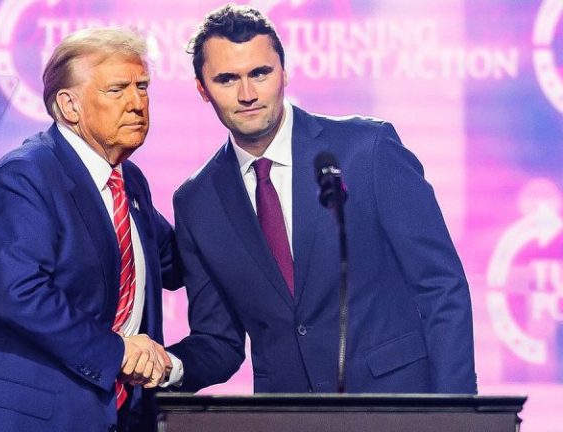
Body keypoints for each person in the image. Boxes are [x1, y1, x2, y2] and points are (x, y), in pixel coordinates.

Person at [166, 4, 477, 394]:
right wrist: (167, 366)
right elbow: (218, 339)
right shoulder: (197, 202)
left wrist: (456, 412)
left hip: (395, 403)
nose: (247, 94)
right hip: (288, 413)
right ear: (202, 89)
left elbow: (441, 286)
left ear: (284, 72)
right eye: (227, 79)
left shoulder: (367, 150)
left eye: (260, 73)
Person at [0, 27, 181, 432]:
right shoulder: (26, 175)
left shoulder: (128, 182)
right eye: (117, 90)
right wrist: (117, 352)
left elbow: (176, 263)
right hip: (11, 415)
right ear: (69, 106)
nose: (137, 103)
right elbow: (19, 293)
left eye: (142, 87)